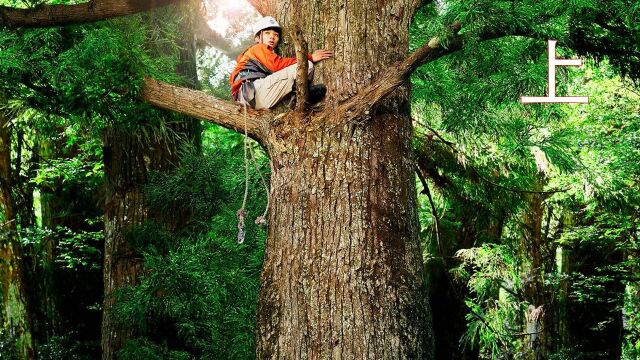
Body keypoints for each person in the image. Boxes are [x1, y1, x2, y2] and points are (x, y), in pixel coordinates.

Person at [229, 16, 333, 109]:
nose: (272, 37)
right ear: (257, 38)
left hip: (250, 99)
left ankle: (296, 99)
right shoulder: (257, 48)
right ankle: (303, 95)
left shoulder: (247, 57)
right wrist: (310, 57)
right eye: (267, 33)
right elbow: (277, 65)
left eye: (276, 35)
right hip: (254, 91)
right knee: (307, 65)